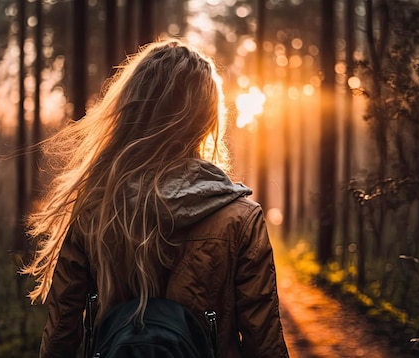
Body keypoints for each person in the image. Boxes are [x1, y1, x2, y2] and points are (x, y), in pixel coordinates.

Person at [21, 38, 289, 358]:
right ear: (205, 120)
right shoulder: (240, 219)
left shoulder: (93, 210)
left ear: (130, 111)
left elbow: (62, 335)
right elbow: (264, 342)